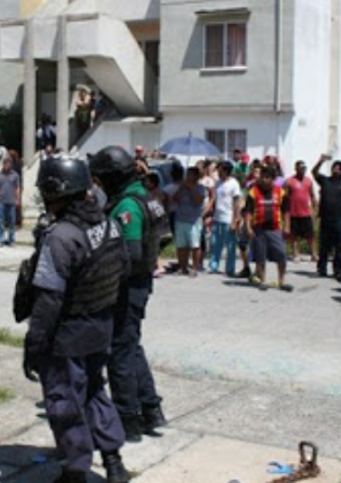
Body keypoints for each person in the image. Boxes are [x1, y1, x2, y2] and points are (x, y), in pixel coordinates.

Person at [21, 155, 131, 483]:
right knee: (96, 391)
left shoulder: (60, 237)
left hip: (66, 335)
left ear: (59, 193)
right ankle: (114, 462)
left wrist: (34, 344)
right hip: (101, 327)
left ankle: (75, 471)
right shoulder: (109, 225)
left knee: (64, 402)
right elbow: (123, 269)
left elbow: (48, 298)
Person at [90, 146, 166, 443]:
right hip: (139, 284)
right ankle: (150, 408)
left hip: (128, 286)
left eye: (101, 179)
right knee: (131, 346)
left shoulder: (127, 206)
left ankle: (127, 417)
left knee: (119, 351)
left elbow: (131, 254)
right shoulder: (143, 195)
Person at [243, 166, 292, 291]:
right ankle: (262, 280)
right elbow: (248, 212)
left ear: (273, 179)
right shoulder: (253, 192)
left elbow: (286, 211)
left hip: (276, 229)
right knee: (260, 256)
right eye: (263, 177)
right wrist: (248, 227)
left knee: (281, 254)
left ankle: (281, 282)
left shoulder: (280, 192)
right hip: (259, 229)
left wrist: (287, 226)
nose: (265, 180)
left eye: (267, 178)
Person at [312, 155, 341, 282]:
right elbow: (314, 172)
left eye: (338, 169)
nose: (336, 170)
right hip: (325, 218)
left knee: (339, 246)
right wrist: (321, 161)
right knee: (324, 245)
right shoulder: (325, 181)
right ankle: (322, 268)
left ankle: (338, 270)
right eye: (334, 168)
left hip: (340, 219)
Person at [206, 161, 241, 276]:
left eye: (220, 170)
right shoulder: (218, 183)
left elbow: (236, 202)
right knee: (215, 243)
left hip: (228, 218)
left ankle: (230, 269)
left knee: (230, 246)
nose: (218, 172)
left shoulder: (234, 184)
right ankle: (213, 265)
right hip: (217, 217)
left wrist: (235, 220)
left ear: (226, 171)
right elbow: (214, 200)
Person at [172, 166, 206, 277]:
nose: (188, 177)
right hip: (180, 218)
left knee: (194, 245)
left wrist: (191, 188)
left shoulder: (200, 187)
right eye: (187, 174)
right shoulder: (182, 187)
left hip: (193, 220)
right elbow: (175, 199)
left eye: (190, 174)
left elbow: (198, 201)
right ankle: (183, 267)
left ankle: (195, 268)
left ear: (196, 176)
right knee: (181, 245)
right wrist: (181, 188)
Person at [285, 160, 317, 262]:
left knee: (310, 235)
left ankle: (314, 254)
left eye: (304, 168)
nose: (303, 170)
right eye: (300, 168)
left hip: (306, 212)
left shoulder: (308, 181)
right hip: (293, 212)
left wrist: (315, 209)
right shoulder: (289, 181)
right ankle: (295, 254)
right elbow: (285, 197)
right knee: (294, 236)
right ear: (296, 168)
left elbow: (312, 195)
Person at [0, 156, 21, 246]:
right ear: (3, 164)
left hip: (11, 201)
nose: (8, 165)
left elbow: (17, 188)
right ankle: (0, 240)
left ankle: (11, 240)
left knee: (11, 222)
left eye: (9, 163)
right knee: (0, 221)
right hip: (1, 201)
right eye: (6, 163)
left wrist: (18, 199)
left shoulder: (15, 175)